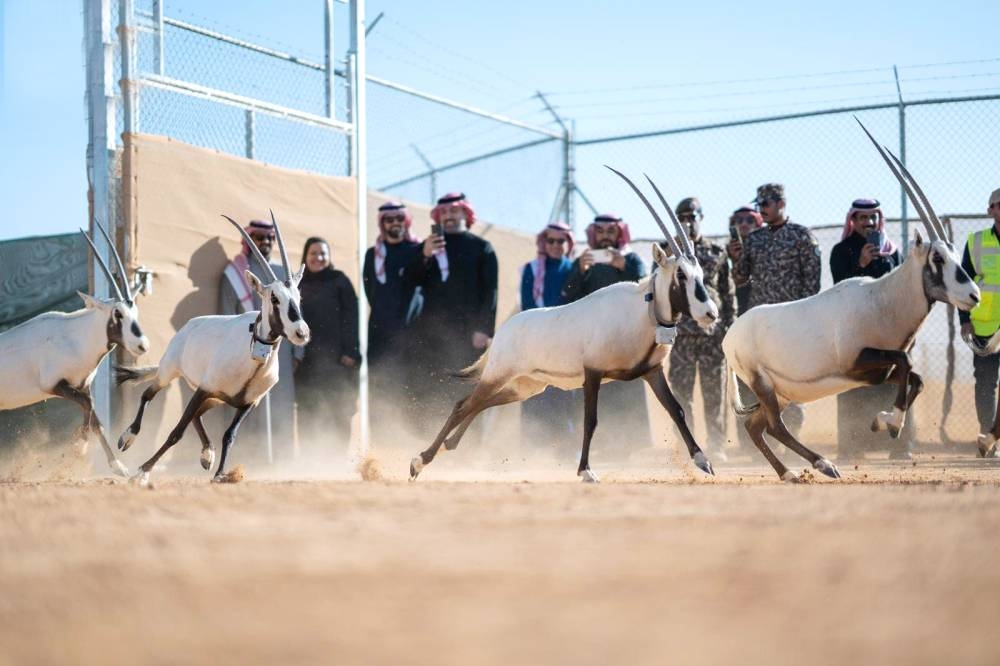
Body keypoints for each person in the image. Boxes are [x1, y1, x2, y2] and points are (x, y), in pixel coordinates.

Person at [727, 183, 821, 443]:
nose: (762, 209)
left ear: (781, 203)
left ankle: (790, 437)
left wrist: (804, 322)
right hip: (760, 326)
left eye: (766, 204)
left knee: (791, 382)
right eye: (759, 205)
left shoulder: (802, 236)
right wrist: (735, 259)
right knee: (756, 380)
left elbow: (812, 284)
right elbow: (742, 279)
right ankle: (752, 442)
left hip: (792, 325)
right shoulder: (754, 240)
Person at [404, 192, 498, 438]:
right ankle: (427, 442)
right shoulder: (429, 247)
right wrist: (423, 255)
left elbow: (491, 291)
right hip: (431, 334)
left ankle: (468, 446)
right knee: (431, 387)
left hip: (469, 336)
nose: (448, 216)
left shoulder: (482, 248)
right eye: (443, 212)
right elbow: (409, 281)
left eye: (453, 211)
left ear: (465, 214)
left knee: (469, 390)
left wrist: (484, 329)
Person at [562, 213, 650, 459]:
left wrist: (624, 267)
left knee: (627, 388)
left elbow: (645, 288)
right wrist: (579, 271)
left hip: (628, 340)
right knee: (598, 390)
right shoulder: (585, 262)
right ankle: (599, 445)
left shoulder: (631, 259)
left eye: (610, 231)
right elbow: (568, 296)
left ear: (618, 232)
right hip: (597, 341)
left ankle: (628, 446)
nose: (605, 236)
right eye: (599, 231)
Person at [829, 199, 911, 460]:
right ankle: (852, 448)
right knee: (854, 386)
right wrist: (861, 265)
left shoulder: (892, 250)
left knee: (896, 383)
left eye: (872, 218)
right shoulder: (841, 250)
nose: (868, 223)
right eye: (862, 218)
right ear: (852, 220)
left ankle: (899, 448)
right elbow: (840, 289)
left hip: (888, 333)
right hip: (856, 332)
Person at [219, 217, 295, 463]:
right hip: (246, 352)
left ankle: (281, 462)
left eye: (270, 238)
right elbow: (227, 317)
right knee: (248, 406)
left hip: (281, 353)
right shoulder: (234, 274)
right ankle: (246, 461)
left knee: (280, 406)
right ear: (249, 240)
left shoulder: (284, 274)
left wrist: (299, 354)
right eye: (260, 238)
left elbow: (295, 314)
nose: (266, 242)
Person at [667, 198, 734, 460]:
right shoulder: (669, 256)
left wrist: (729, 325)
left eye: (692, 216)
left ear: (701, 218)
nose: (688, 222)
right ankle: (687, 445)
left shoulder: (717, 252)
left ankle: (717, 446)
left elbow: (728, 294)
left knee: (714, 393)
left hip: (712, 336)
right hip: (681, 334)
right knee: (681, 394)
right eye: (682, 217)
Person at [294, 237, 360, 455]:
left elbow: (352, 317)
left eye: (322, 253)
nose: (318, 258)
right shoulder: (297, 284)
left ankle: (338, 460)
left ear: (329, 257)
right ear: (305, 256)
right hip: (307, 362)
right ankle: (309, 459)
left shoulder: (339, 281)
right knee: (307, 410)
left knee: (339, 409)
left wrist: (351, 351)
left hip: (339, 361)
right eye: (313, 253)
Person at [362, 201, 422, 441]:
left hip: (412, 338)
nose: (394, 223)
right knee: (381, 391)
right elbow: (370, 292)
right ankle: (381, 450)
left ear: (405, 221)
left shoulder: (418, 250)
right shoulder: (372, 255)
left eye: (399, 219)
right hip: (381, 336)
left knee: (412, 392)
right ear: (382, 223)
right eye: (389, 220)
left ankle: (412, 447)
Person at [519, 222, 576, 453]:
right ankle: (532, 451)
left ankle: (568, 450)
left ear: (568, 243)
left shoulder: (574, 269)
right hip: (537, 342)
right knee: (534, 393)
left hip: (567, 344)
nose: (555, 245)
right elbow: (527, 306)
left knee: (565, 394)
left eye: (560, 241)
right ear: (544, 242)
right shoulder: (531, 269)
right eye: (550, 241)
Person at [959, 187, 1000, 458]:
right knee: (985, 385)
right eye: (999, 204)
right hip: (984, 328)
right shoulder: (975, 242)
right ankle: (989, 438)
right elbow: (962, 285)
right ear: (990, 211)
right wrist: (964, 320)